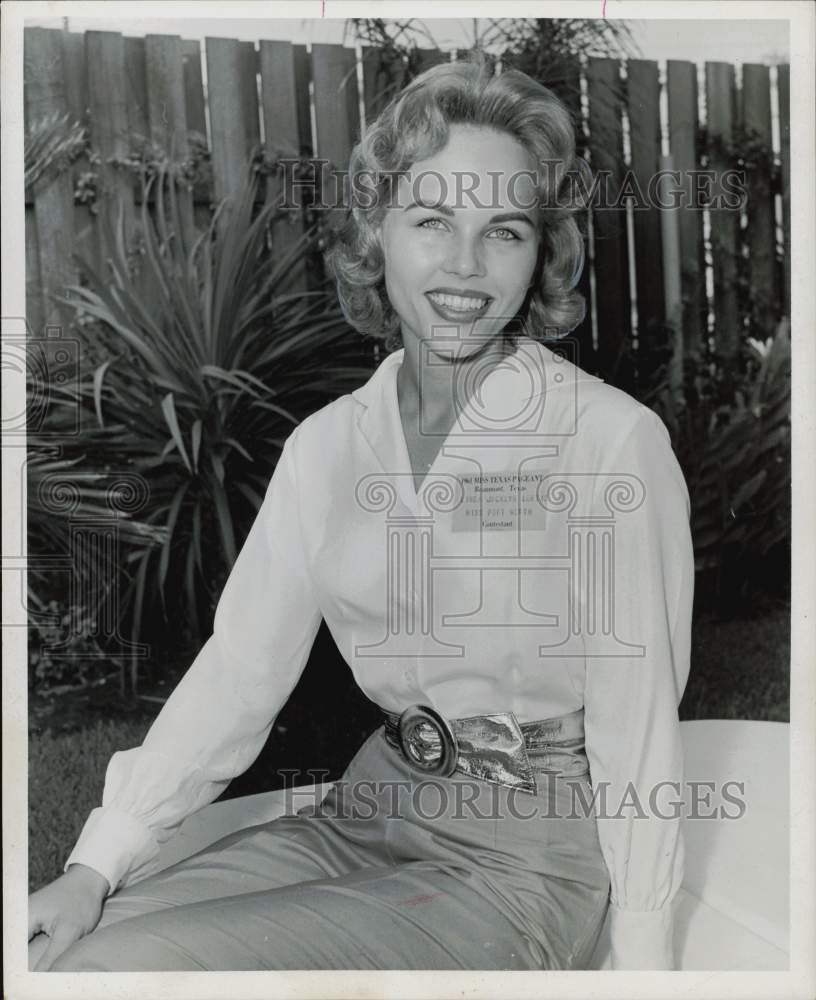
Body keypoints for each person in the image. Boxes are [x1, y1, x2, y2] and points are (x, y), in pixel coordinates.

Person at [28, 52, 694, 973]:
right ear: (377, 232)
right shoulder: (329, 449)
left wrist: (650, 966)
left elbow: (640, 727)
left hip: (524, 861)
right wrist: (94, 867)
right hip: (369, 809)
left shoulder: (609, 443)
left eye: (503, 230)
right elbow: (238, 674)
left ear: (541, 251)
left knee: (120, 973)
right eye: (432, 220)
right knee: (54, 952)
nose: (465, 266)